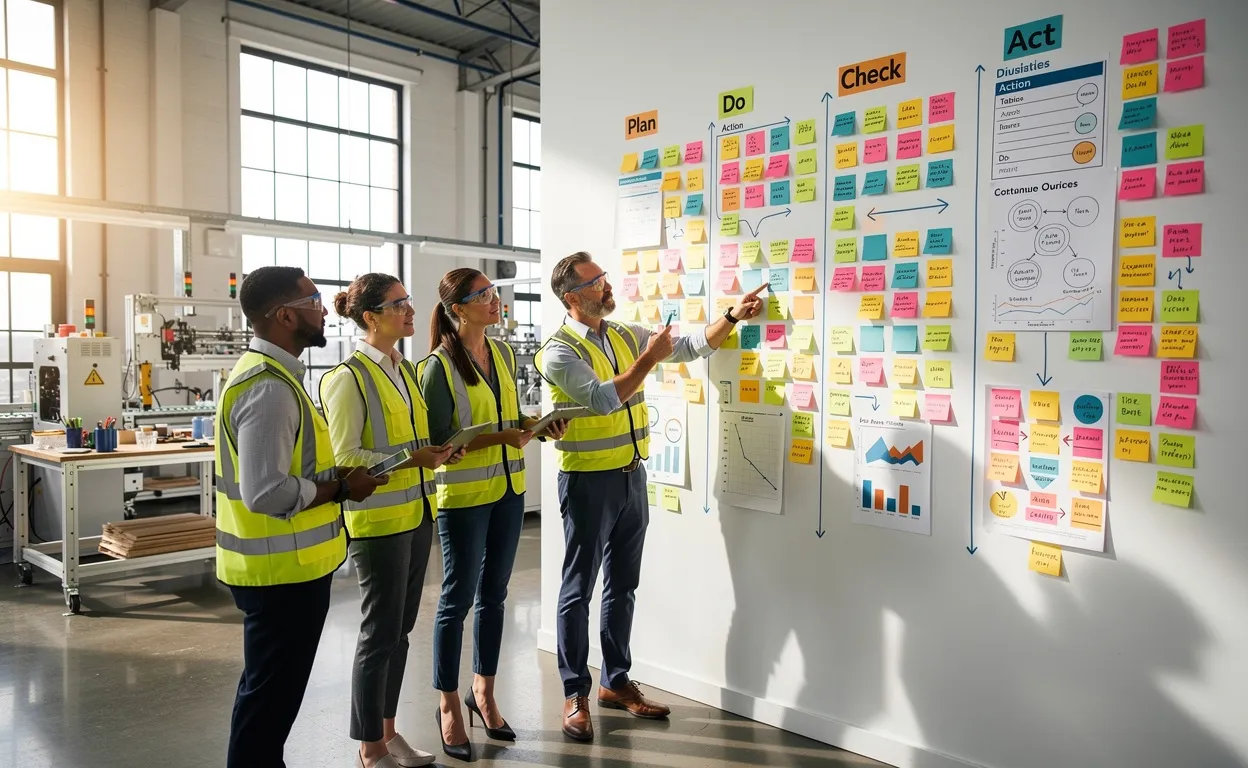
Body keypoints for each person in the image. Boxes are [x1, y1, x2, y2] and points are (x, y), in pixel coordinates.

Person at [535, 252, 765, 741]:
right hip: (587, 481)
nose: (606, 285)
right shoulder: (556, 351)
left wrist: (730, 316)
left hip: (630, 477)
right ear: (573, 297)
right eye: (597, 281)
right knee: (578, 591)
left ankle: (615, 682)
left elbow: (687, 347)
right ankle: (574, 692)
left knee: (623, 585)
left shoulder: (620, 333)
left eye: (603, 277)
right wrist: (651, 357)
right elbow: (601, 398)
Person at [215, 266, 388, 768]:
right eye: (313, 299)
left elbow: (293, 466)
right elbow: (266, 492)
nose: (324, 307)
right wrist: (340, 488)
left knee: (268, 693)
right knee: (270, 698)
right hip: (278, 574)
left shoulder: (282, 378)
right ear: (285, 315)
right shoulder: (267, 389)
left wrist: (339, 473)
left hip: (288, 569)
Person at [418, 268, 567, 759]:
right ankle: (447, 705)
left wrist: (536, 424)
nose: (494, 300)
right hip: (462, 499)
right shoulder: (437, 367)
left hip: (508, 490)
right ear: (458, 308)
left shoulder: (501, 352)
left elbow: (509, 416)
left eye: (494, 292)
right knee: (455, 602)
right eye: (483, 295)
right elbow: (440, 440)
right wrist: (504, 437)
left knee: (495, 597)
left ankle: (482, 692)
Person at [320, 274, 465, 768]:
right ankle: (369, 746)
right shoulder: (348, 378)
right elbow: (346, 458)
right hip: (377, 524)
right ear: (370, 317)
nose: (409, 310)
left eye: (408, 301)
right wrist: (412, 458)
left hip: (417, 514)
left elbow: (412, 440)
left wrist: (441, 452)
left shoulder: (404, 371)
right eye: (398, 303)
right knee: (378, 633)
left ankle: (388, 731)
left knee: (399, 634)